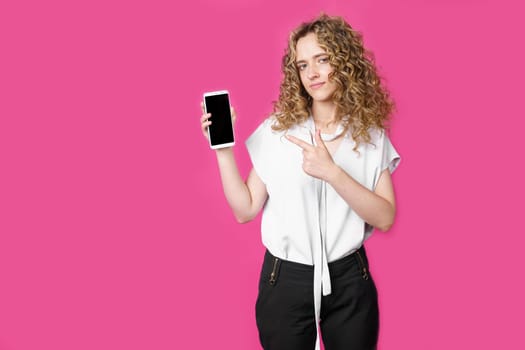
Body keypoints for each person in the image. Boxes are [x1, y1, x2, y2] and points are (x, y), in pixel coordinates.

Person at [200, 13, 400, 350]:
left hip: (349, 278)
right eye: (303, 65)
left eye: (322, 60)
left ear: (345, 62)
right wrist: (223, 152)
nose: (312, 73)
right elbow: (245, 209)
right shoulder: (278, 130)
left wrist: (332, 172)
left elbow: (385, 217)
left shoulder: (370, 135)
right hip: (286, 278)